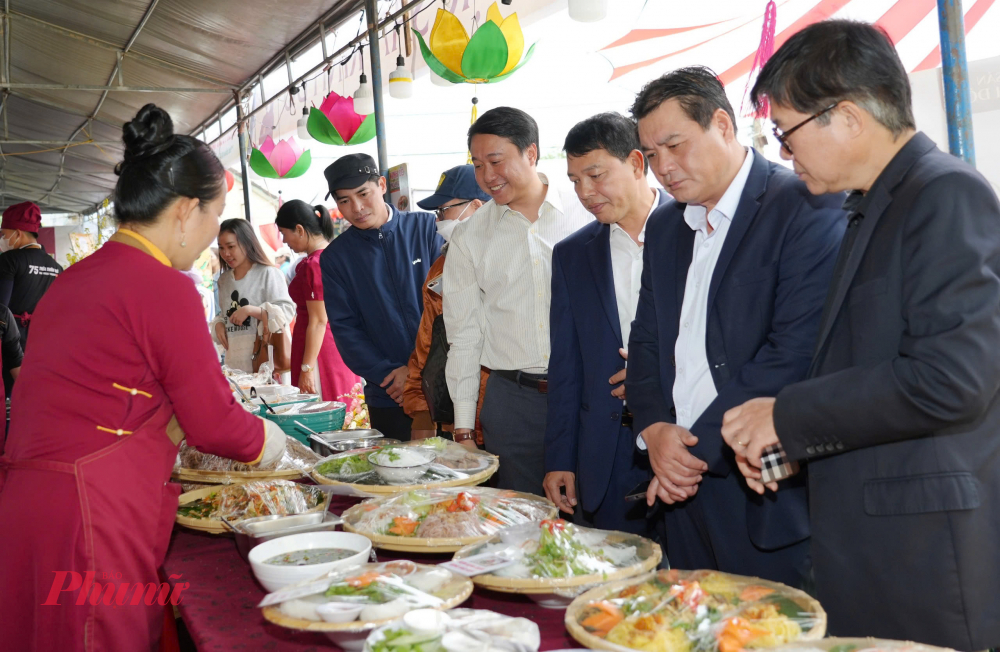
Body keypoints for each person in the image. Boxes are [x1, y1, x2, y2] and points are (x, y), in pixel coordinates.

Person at [720, 21, 1000, 650]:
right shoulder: (873, 202)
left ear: (844, 117)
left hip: (926, 554)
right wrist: (794, 442)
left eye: (787, 134)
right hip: (879, 542)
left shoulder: (944, 194)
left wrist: (787, 415)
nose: (785, 156)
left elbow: (951, 380)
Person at [0, 103, 284, 652]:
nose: (209, 241)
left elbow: (106, 394)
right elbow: (212, 421)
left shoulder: (78, 279)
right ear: (185, 210)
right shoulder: (162, 284)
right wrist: (272, 444)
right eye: (212, 218)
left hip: (34, 501)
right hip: (90, 512)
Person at [624, 67, 846, 586]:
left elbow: (793, 350)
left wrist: (688, 452)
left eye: (675, 146)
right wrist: (653, 428)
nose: (665, 168)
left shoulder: (802, 204)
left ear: (723, 125)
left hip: (761, 481)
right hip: (676, 478)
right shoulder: (664, 225)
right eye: (652, 156)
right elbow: (648, 339)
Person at [444, 107, 592, 495]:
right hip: (513, 403)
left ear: (531, 153)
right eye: (477, 165)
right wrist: (463, 429)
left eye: (496, 161)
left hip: (589, 394)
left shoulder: (585, 212)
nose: (487, 176)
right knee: (522, 521)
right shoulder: (469, 237)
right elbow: (464, 336)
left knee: (595, 518)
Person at [544, 112, 668, 533]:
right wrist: (561, 458)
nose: (584, 192)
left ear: (636, 163)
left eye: (595, 176)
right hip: (606, 449)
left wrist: (653, 372)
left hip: (685, 440)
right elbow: (565, 364)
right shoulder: (572, 255)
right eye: (575, 180)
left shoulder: (695, 230)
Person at [321, 153, 443, 440]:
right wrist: (392, 374)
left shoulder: (426, 229)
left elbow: (450, 305)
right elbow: (346, 329)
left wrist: (423, 371)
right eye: (344, 201)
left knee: (454, 478)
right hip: (389, 393)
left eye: (363, 193)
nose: (357, 207)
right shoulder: (336, 258)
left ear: (382, 184)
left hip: (444, 386)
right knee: (396, 477)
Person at [402, 165, 490, 446]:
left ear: (477, 206)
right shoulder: (440, 269)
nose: (439, 220)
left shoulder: (507, 263)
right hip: (455, 419)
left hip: (504, 415)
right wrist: (420, 409)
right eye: (436, 213)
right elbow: (426, 344)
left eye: (445, 211)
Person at [276, 199, 360, 400]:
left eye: (284, 234)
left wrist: (307, 368)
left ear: (299, 229)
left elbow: (318, 320)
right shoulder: (333, 256)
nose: (284, 241)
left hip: (320, 351)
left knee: (323, 410)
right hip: (333, 344)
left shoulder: (315, 264)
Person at [212, 219, 295, 374]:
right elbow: (224, 315)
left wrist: (251, 310)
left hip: (266, 364)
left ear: (247, 243)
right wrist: (218, 324)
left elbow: (286, 312)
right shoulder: (223, 280)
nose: (226, 253)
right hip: (234, 365)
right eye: (221, 248)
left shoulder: (269, 274)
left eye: (231, 247)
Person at [0, 201, 62, 395]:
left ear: (17, 233)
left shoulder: (9, 260)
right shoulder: (56, 267)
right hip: (43, 345)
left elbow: (1, 309)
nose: (2, 238)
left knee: (11, 398)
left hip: (13, 348)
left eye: (4, 234)